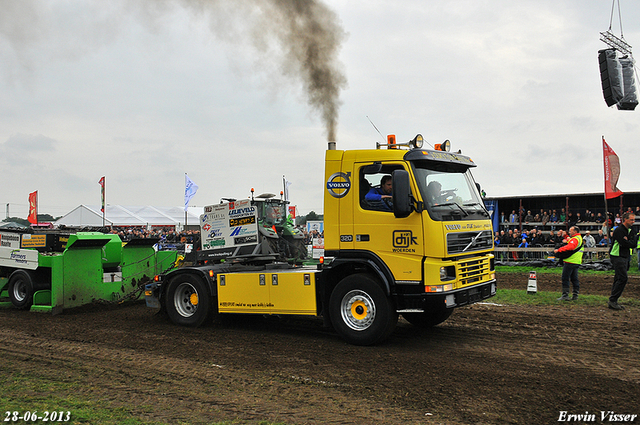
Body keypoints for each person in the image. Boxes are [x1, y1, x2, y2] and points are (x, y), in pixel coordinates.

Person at [608, 212, 637, 310]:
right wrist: (629, 241)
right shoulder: (619, 230)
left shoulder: (631, 230)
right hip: (617, 255)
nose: (633, 221)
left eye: (634, 219)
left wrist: (628, 241)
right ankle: (613, 299)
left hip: (625, 256)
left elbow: (634, 244)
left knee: (618, 278)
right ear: (625, 219)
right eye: (631, 220)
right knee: (623, 278)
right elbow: (624, 243)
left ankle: (613, 300)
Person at [553, 226, 584, 301]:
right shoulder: (580, 239)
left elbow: (570, 247)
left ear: (575, 231)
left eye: (570, 231)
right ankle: (575, 295)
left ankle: (565, 295)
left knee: (565, 278)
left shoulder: (575, 239)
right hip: (577, 261)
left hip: (570, 261)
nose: (569, 232)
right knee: (574, 279)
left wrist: (559, 250)